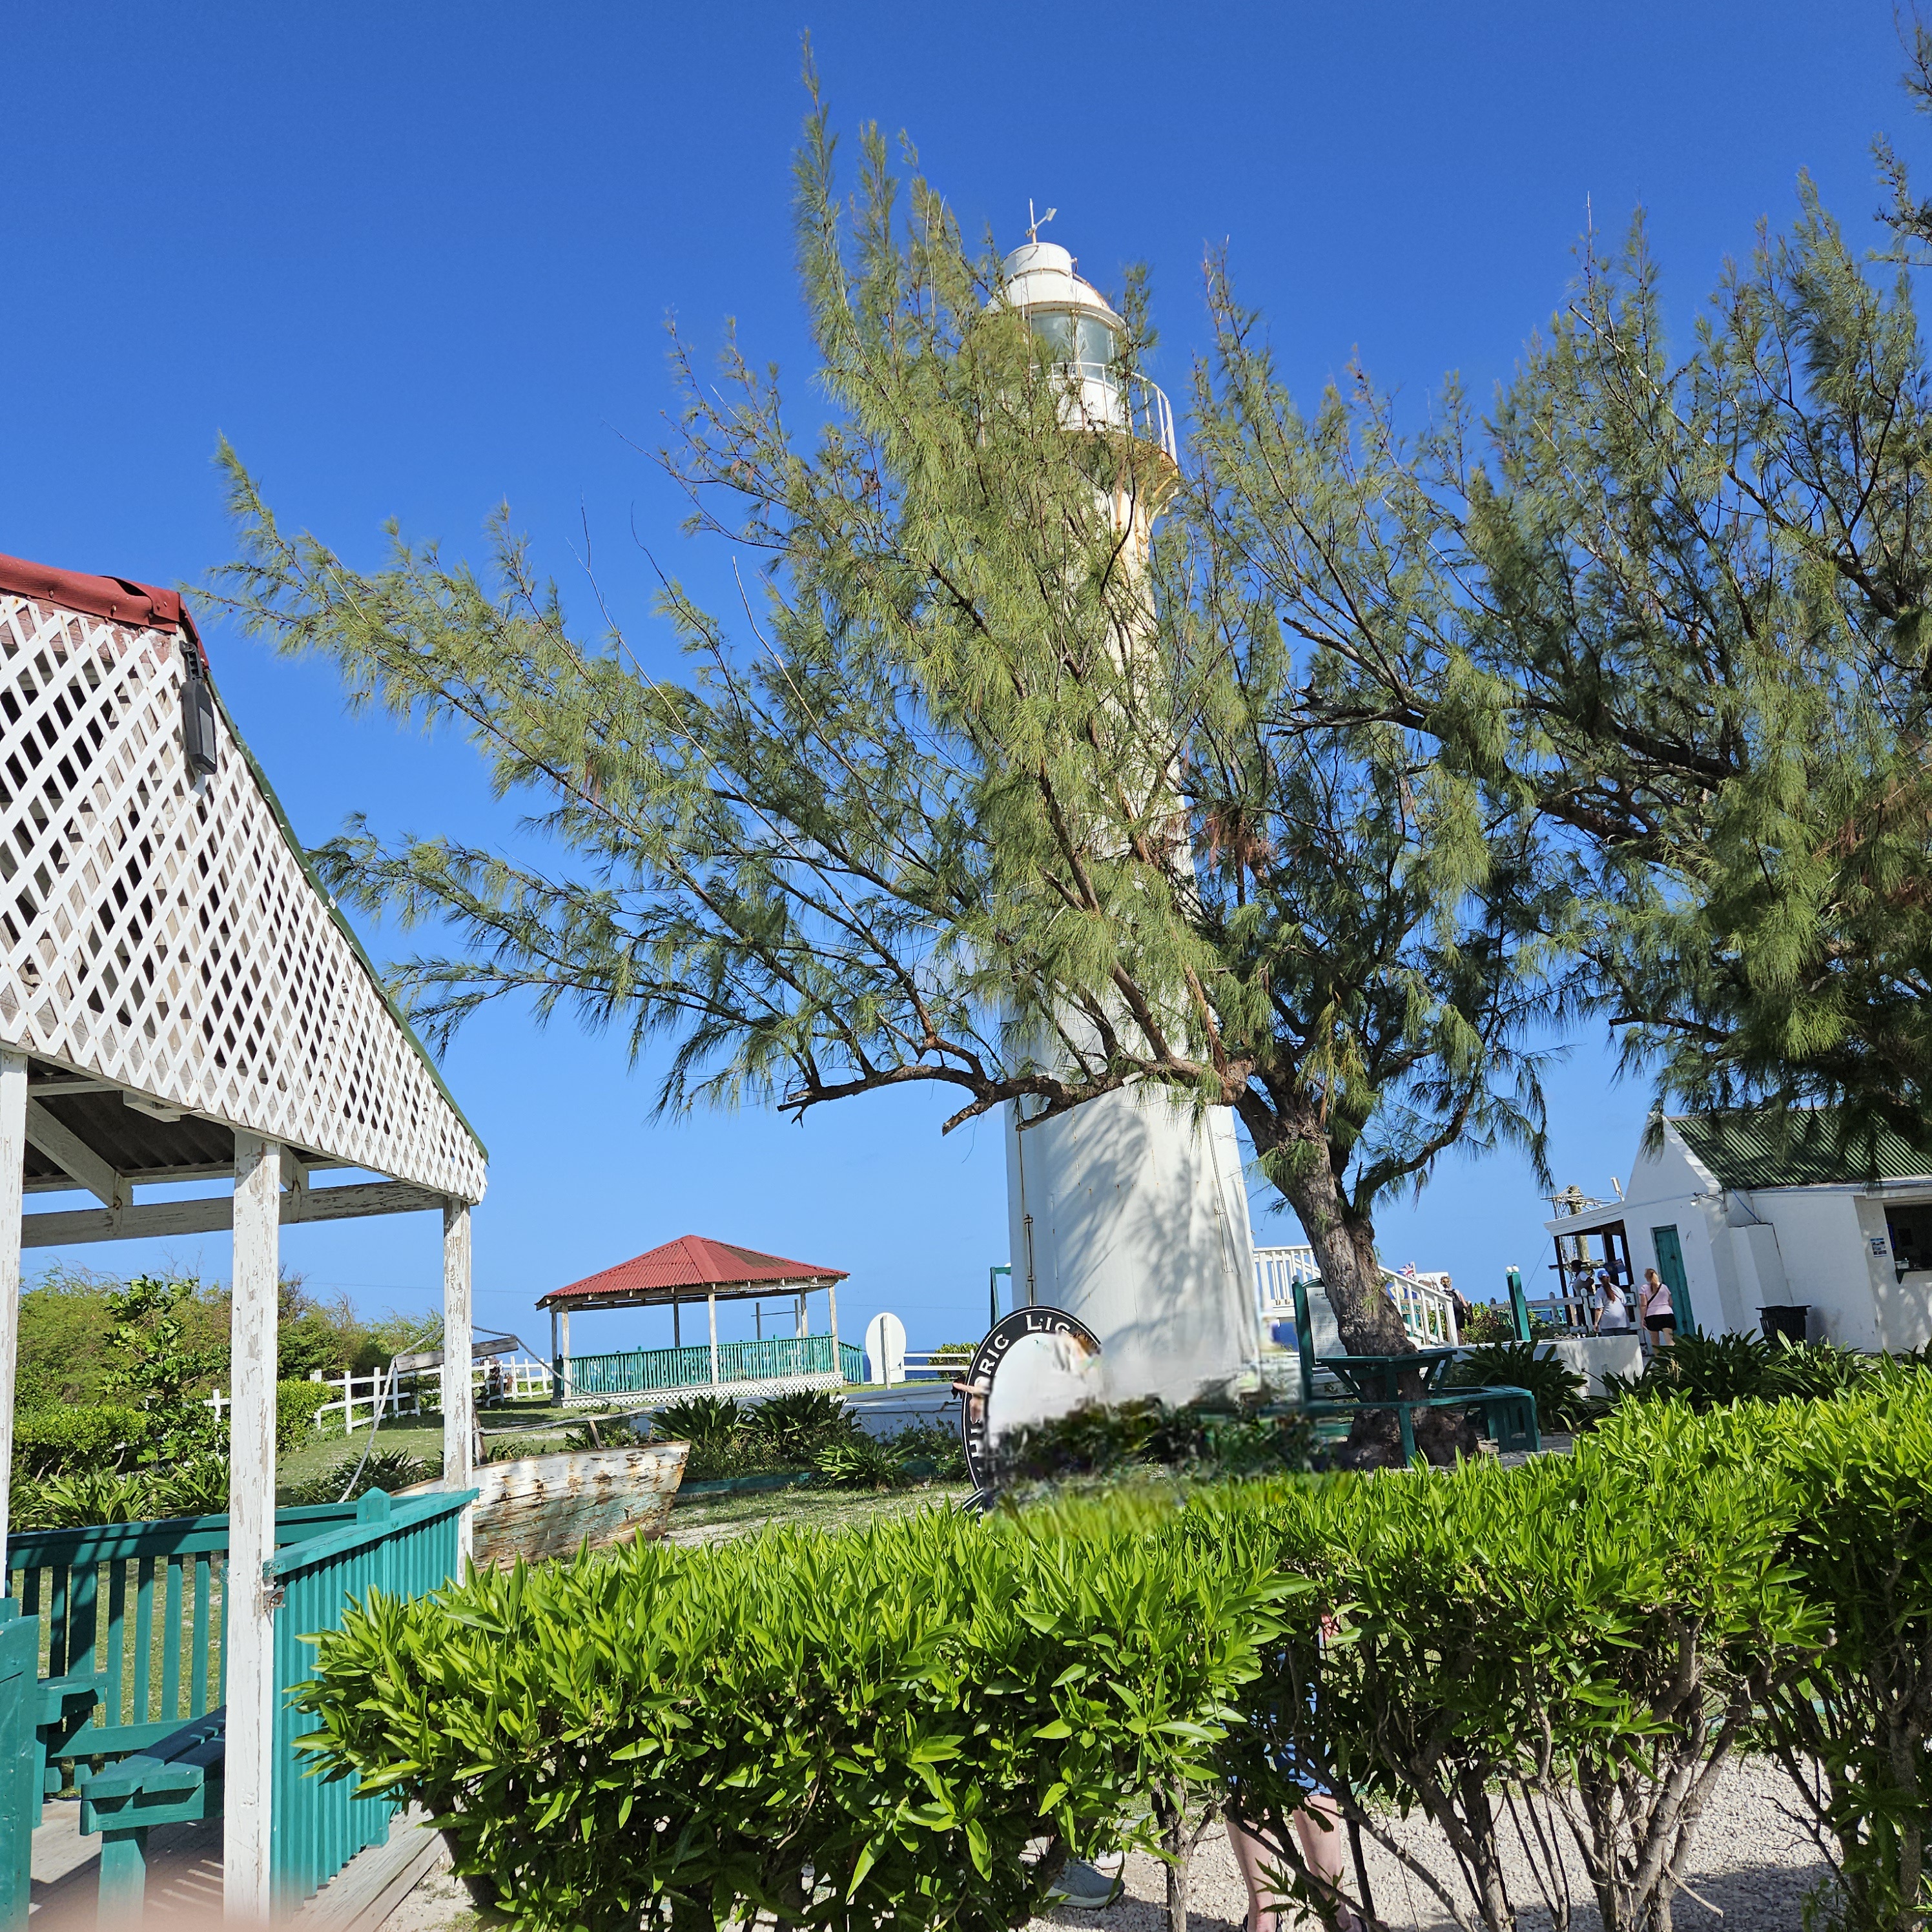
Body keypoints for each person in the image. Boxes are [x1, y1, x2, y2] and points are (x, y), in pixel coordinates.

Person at [1639, 1266, 1676, 1351]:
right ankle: (1673, 1357)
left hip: (1652, 1315)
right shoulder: (1664, 1287)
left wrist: (1642, 1319)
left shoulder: (1644, 1288)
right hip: (1667, 1314)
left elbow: (1644, 1305)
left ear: (1646, 1277)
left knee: (1655, 1342)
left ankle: (1658, 1358)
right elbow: (1670, 1302)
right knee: (1670, 1340)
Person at [1594, 1269, 1632, 1335]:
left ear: (1599, 1280)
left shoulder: (1599, 1292)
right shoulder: (1617, 1289)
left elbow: (1599, 1309)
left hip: (1607, 1322)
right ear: (1609, 1278)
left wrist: (1596, 1323)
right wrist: (1627, 1317)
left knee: (1608, 1341)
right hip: (1621, 1321)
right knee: (1623, 1340)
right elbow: (1625, 1305)